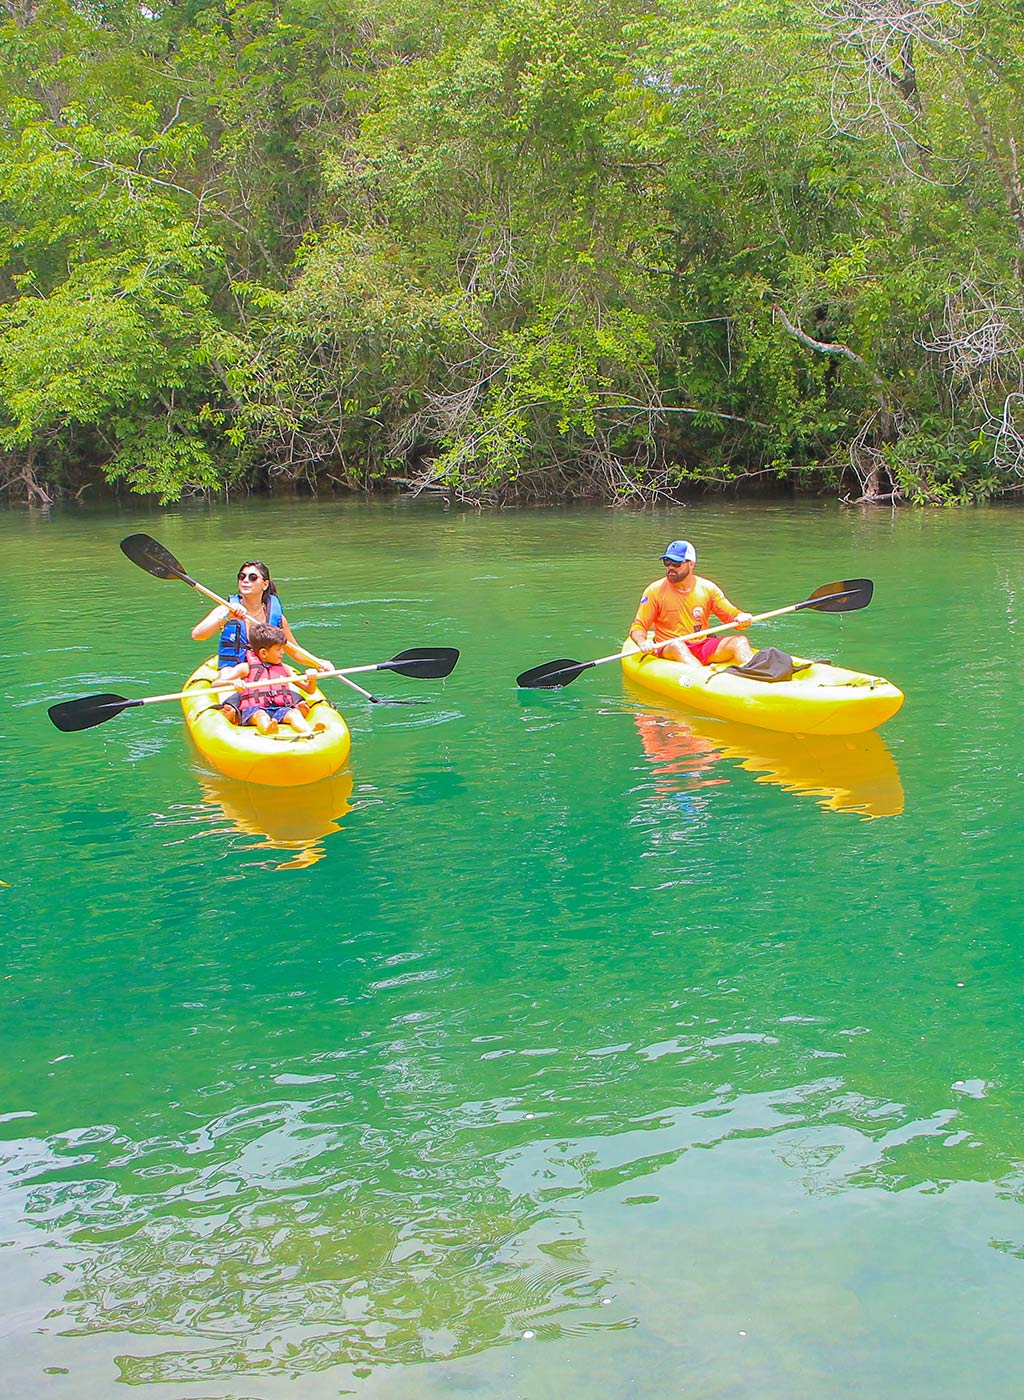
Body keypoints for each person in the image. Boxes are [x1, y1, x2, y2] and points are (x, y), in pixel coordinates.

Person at [191, 559, 333, 674]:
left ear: (265, 584)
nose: (245, 580)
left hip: (266, 672)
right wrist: (226, 615)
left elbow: (294, 651)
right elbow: (197, 635)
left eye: (252, 577)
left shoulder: (276, 618)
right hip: (234, 673)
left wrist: (318, 662)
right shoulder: (226, 608)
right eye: (241, 577)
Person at [629, 540, 755, 667]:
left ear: (691, 564)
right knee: (677, 645)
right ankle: (703, 678)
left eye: (676, 563)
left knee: (740, 641)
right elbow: (638, 626)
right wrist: (642, 642)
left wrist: (742, 618)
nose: (670, 567)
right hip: (669, 646)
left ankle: (756, 675)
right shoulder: (654, 591)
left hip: (701, 644)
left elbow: (732, 616)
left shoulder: (708, 588)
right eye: (667, 562)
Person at [219, 622, 325, 735]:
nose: (282, 652)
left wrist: (312, 679)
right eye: (278, 649)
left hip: (279, 708)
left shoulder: (285, 669)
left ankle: (308, 731)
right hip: (254, 709)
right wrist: (234, 683)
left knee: (294, 713)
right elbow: (216, 684)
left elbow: (309, 689)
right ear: (264, 653)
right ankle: (268, 729)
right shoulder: (245, 668)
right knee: (261, 715)